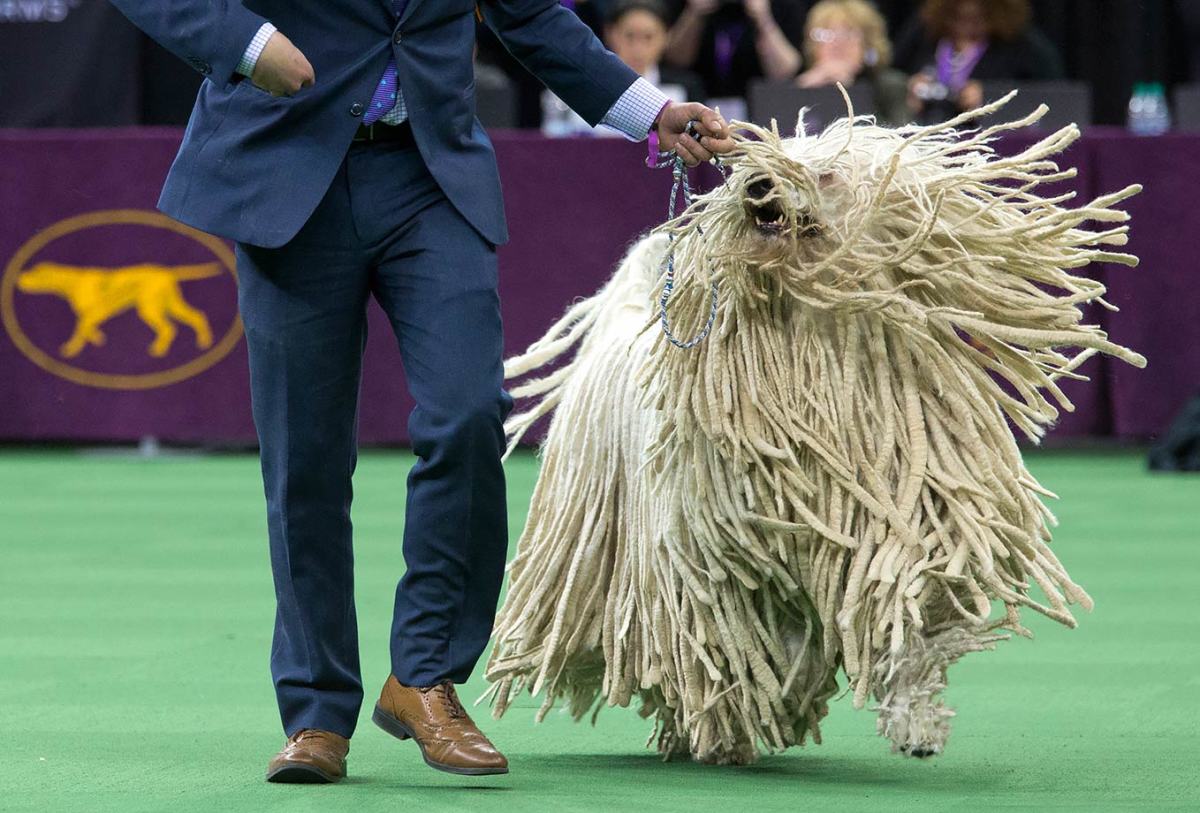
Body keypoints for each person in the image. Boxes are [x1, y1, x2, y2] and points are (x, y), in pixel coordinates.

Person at [106, 0, 734, 785]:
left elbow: (532, 15)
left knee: (468, 412)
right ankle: (315, 710)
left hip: (432, 175)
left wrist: (650, 111)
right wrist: (246, 41)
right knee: (304, 458)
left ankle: (425, 676)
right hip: (285, 169)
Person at [543, 0, 706, 136]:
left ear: (666, 37)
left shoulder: (686, 87)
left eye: (648, 37)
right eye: (629, 36)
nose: (638, 48)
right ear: (610, 33)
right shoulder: (578, 83)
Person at [894, 0, 1064, 123]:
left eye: (978, 19)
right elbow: (889, 75)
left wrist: (992, 97)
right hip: (925, 133)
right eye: (957, 17)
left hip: (990, 141)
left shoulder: (1023, 45)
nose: (967, 27)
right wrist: (905, 88)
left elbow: (1055, 97)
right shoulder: (925, 34)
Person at [664, 0, 809, 103]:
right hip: (699, 100)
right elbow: (675, 60)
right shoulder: (685, 5)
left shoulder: (783, 5)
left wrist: (763, 18)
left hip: (760, 105)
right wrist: (694, 13)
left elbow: (784, 71)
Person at [794, 0, 909, 126]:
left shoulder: (889, 86)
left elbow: (901, 133)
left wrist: (850, 90)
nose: (837, 43)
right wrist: (800, 92)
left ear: (868, 43)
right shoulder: (799, 86)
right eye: (825, 34)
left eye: (847, 34)